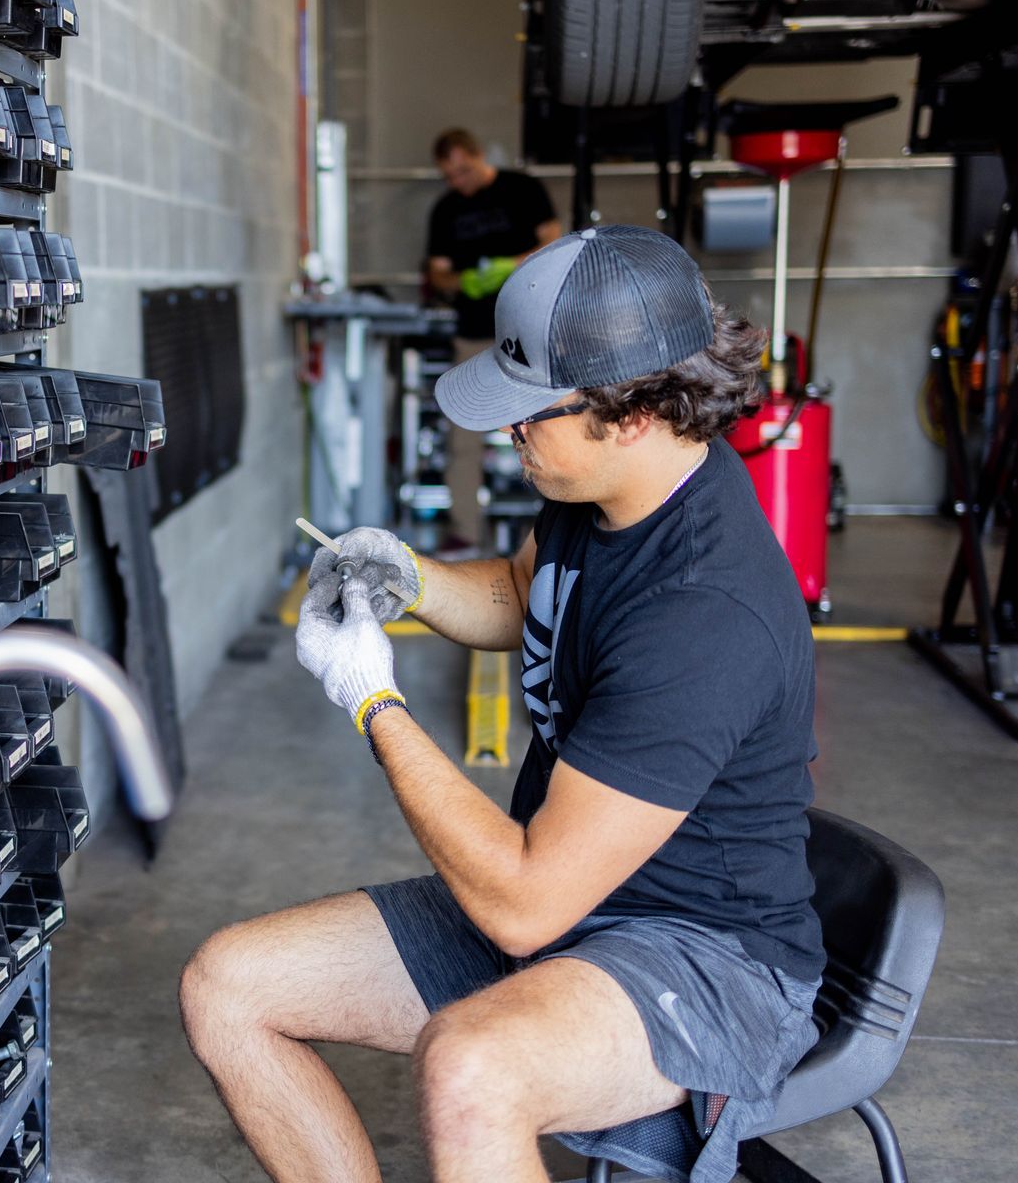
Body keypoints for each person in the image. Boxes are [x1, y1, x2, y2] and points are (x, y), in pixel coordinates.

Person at [180, 225, 823, 1183]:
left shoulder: (704, 611)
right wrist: (409, 580)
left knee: (473, 1067)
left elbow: (523, 905)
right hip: (586, 903)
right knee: (226, 986)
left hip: (706, 958)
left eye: (534, 410)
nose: (509, 429)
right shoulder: (599, 490)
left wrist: (374, 703)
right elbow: (529, 598)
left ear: (636, 410)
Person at [424, 127, 561, 550]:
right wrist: (463, 281)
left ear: (479, 154)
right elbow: (438, 271)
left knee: (547, 425)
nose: (458, 182)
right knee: (463, 435)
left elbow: (555, 241)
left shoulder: (522, 189)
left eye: (463, 171)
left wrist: (512, 266)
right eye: (450, 175)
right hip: (473, 333)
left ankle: (553, 532)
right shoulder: (446, 209)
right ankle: (466, 530)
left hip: (526, 330)